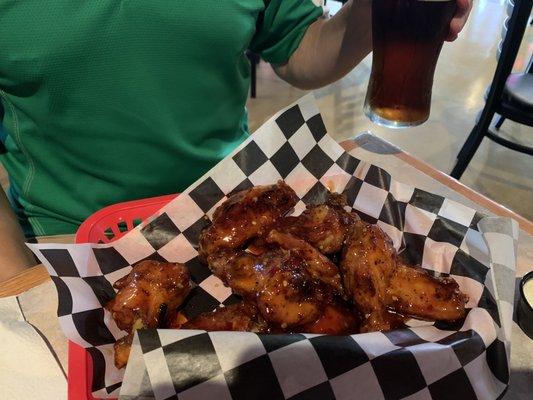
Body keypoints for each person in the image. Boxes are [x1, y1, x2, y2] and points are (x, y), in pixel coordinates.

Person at [0, 0, 472, 281]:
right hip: (67, 240)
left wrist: (374, 9)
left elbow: (299, 48)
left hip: (235, 209)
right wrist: (19, 284)